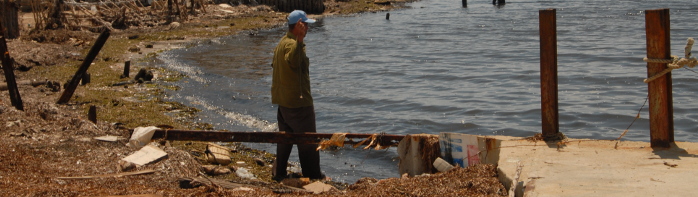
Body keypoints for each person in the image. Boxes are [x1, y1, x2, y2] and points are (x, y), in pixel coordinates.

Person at [270, 10, 324, 181]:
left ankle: (279, 173)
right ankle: (313, 176)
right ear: (299, 26)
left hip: (284, 102)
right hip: (298, 103)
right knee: (308, 142)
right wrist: (299, 40)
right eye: (305, 24)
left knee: (285, 140)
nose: (307, 28)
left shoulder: (282, 42)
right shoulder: (292, 44)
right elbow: (292, 60)